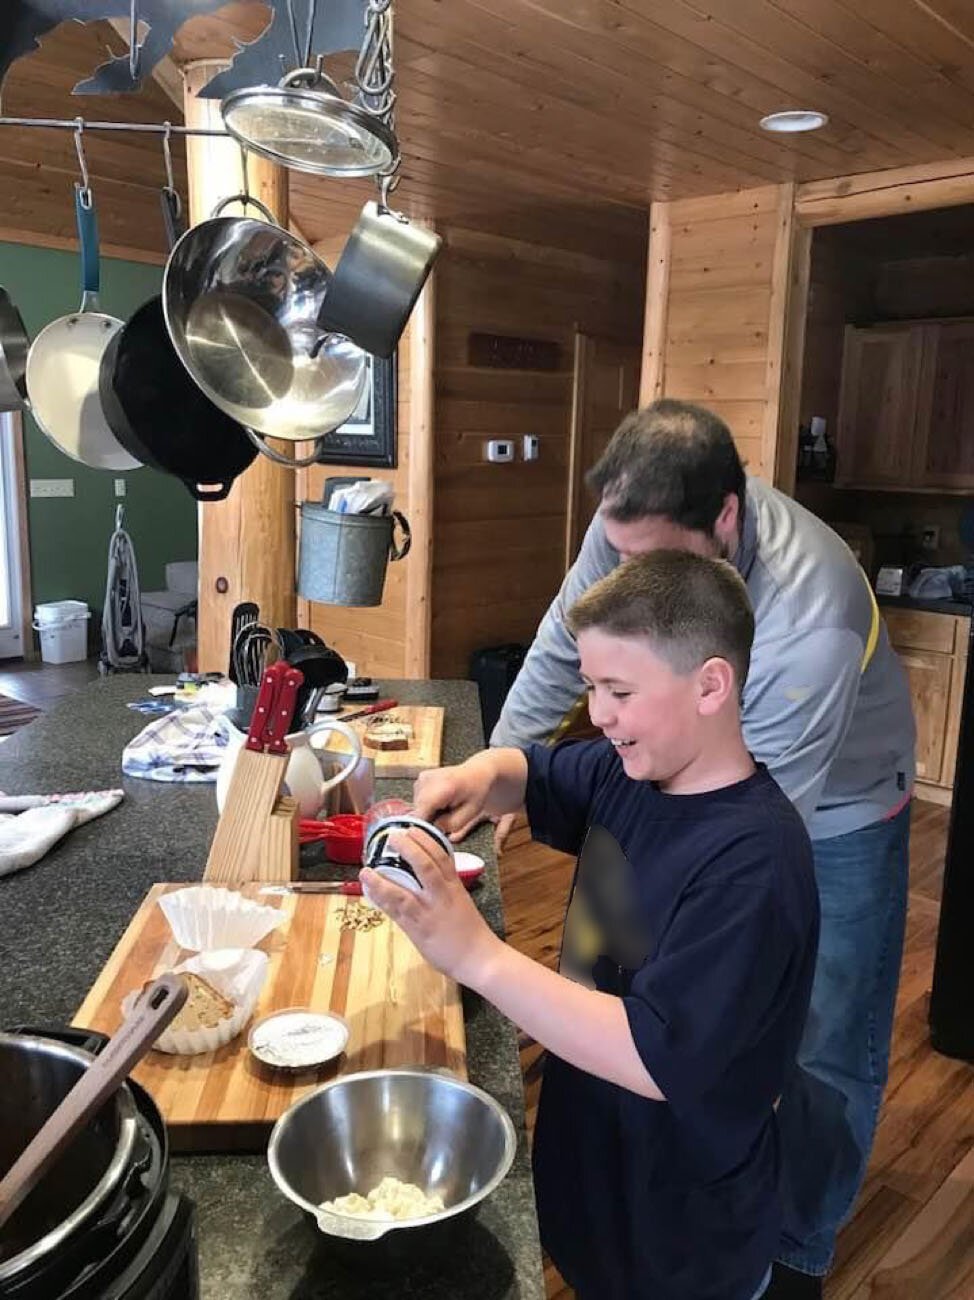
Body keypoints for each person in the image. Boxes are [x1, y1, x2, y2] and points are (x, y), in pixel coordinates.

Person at [488, 400, 916, 1299]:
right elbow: (563, 651)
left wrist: (661, 1029)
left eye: (646, 557)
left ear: (723, 519)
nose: (623, 568)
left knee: (824, 1038)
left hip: (836, 805)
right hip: (706, 767)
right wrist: (502, 765)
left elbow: (744, 848)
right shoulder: (633, 528)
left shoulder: (813, 616)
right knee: (696, 1020)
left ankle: (796, 1248)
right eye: (616, 552)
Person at [363, 550, 819, 1300]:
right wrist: (475, 777)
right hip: (599, 1185)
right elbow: (532, 771)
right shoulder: (632, 770)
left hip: (685, 1239)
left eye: (619, 690)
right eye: (591, 688)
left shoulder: (756, 865)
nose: (598, 714)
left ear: (711, 684)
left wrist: (476, 955)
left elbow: (653, 1055)